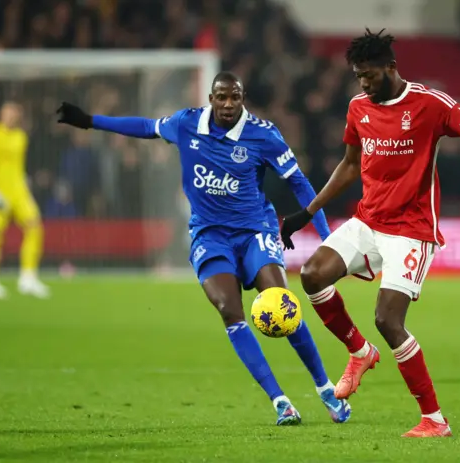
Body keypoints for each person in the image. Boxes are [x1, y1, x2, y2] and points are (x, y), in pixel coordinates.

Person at [56, 71, 351, 426]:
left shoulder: (264, 134)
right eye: (221, 97)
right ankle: (280, 401)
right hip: (209, 235)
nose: (228, 104)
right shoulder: (186, 123)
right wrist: (91, 121)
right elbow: (146, 127)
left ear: (243, 99)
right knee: (229, 309)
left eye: (235, 98)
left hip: (254, 230)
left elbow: (300, 183)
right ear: (210, 98)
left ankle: (324, 388)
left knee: (280, 304)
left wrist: (326, 237)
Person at [281, 29, 460, 437]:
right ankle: (359, 352)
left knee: (388, 319)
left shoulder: (429, 103)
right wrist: (307, 211)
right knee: (313, 274)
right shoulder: (358, 107)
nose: (364, 84)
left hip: (412, 229)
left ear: (391, 67)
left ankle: (434, 421)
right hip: (369, 220)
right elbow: (351, 164)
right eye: (358, 77)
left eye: (369, 75)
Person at [0, 102, 50, 299]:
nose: (11, 117)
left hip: (18, 191)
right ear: (1, 114)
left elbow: (17, 167)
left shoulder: (21, 137)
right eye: (7, 113)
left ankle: (28, 277)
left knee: (35, 226)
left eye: (14, 114)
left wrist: (25, 186)